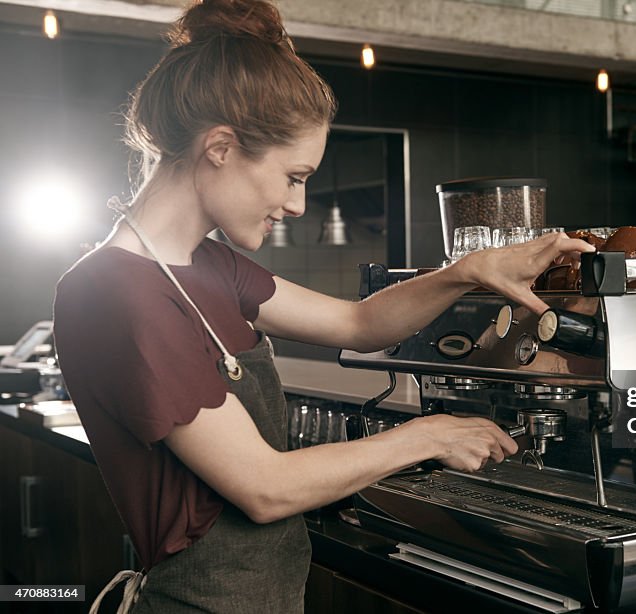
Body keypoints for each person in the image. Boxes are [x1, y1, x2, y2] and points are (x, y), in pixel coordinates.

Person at [51, 1, 594, 612]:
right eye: (293, 176)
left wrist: (467, 273)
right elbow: (264, 487)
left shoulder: (207, 264)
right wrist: (426, 436)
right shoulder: (118, 290)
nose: (299, 204)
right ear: (222, 147)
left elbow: (357, 324)